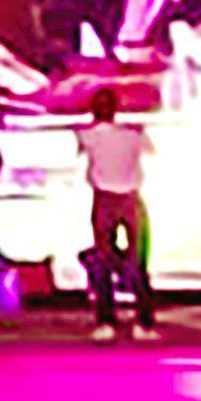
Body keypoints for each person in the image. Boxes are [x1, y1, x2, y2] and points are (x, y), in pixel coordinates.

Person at [78, 90, 155, 338]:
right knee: (138, 260)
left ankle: (105, 322)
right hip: (131, 199)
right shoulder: (133, 135)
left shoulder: (86, 135)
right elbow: (151, 151)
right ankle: (143, 322)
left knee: (103, 261)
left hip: (105, 201)